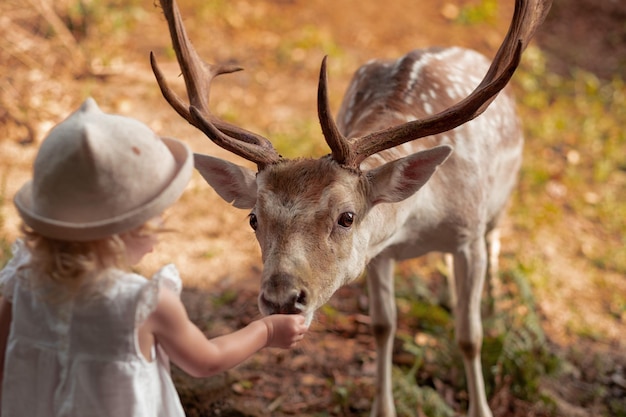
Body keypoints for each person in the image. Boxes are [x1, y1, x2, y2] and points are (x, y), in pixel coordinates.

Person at [0, 98, 307, 417]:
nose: (162, 225)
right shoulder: (143, 303)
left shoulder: (21, 282)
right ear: (125, 230)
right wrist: (267, 332)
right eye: (156, 216)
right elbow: (206, 361)